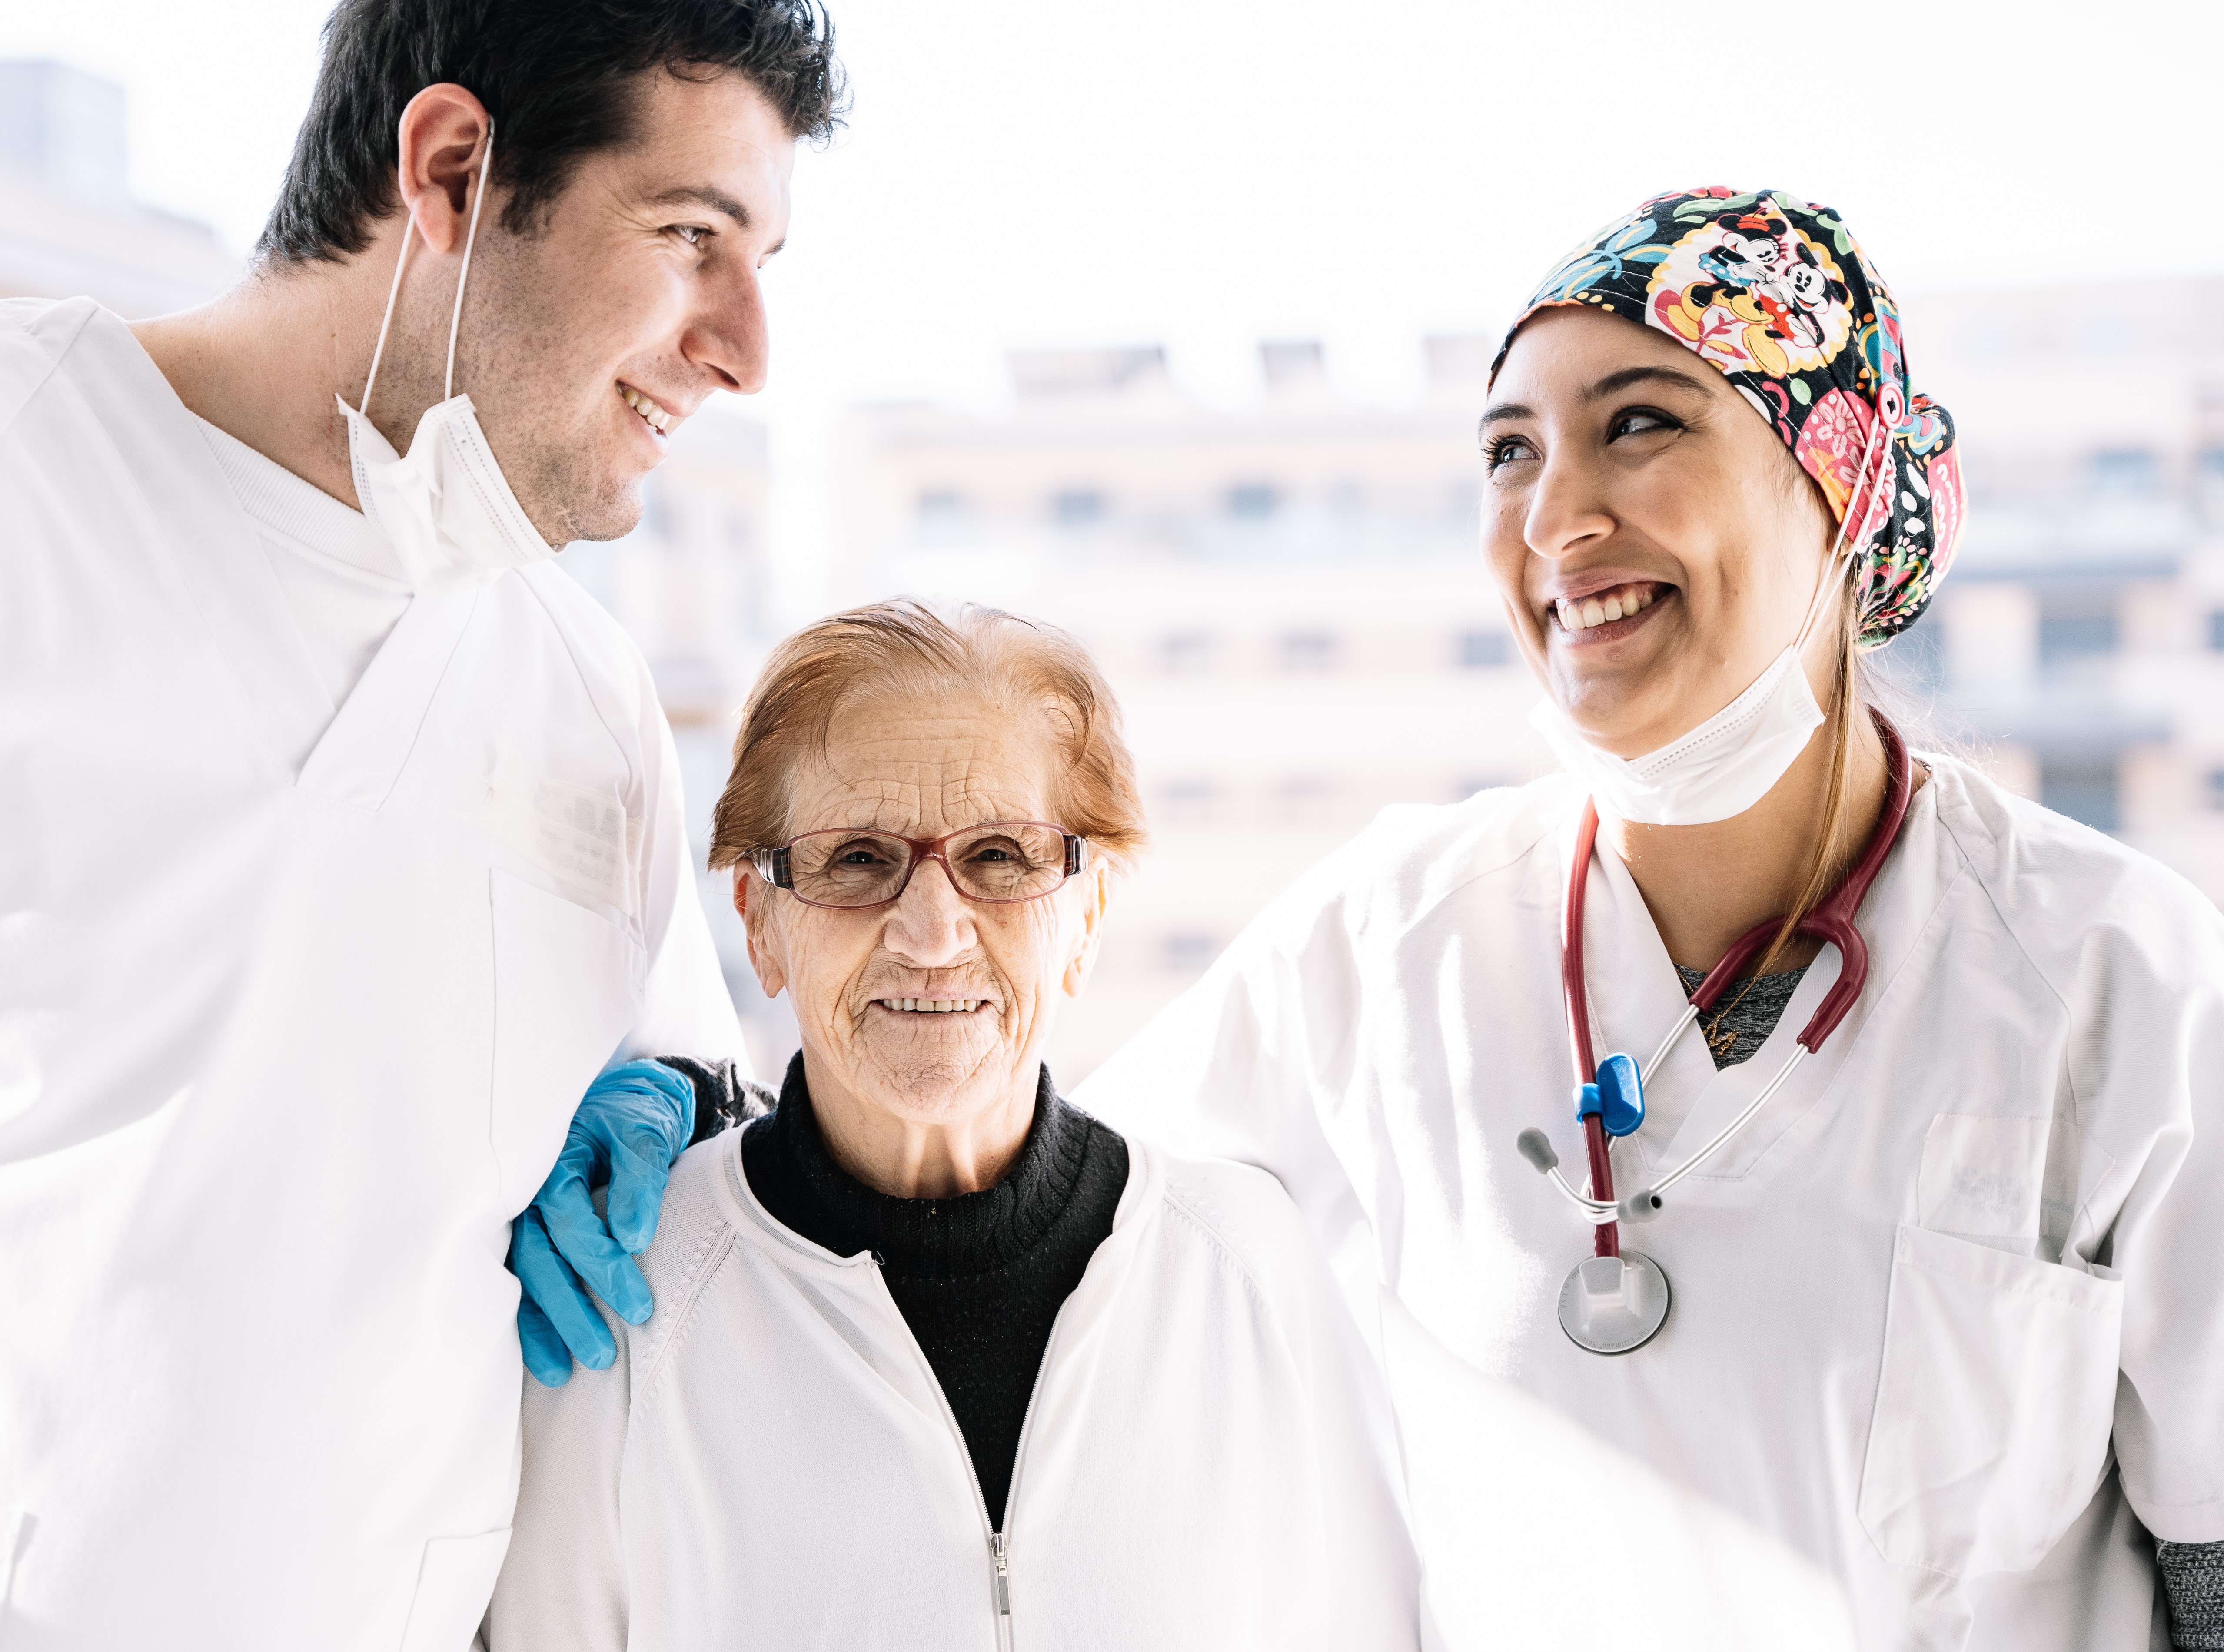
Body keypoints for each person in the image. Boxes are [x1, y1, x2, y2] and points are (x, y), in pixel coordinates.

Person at [1070, 189, 2224, 1650]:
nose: (1552, 518)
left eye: (1638, 423)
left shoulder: (2112, 979)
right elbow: (1037, 1271)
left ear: (1838, 483)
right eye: (1508, 451)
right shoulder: (1378, 951)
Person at [0, 3, 843, 1646]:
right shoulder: (30, 485)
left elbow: (674, 1138)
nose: (745, 350)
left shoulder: (585, 701)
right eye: (690, 241)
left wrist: (665, 1106)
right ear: (453, 169)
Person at [480, 601, 1421, 1650]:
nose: (932, 933)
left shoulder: (1246, 1266)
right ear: (759, 921)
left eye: (1002, 856)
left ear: (1087, 916)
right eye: (856, 859)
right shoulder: (624, 1307)